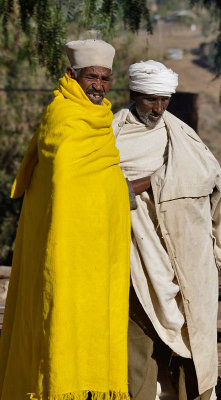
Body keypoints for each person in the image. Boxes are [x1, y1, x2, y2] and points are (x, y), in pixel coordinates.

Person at [0, 40, 131, 400]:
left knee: (95, 320)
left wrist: (117, 190)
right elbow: (67, 180)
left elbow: (103, 179)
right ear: (72, 75)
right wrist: (121, 188)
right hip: (62, 246)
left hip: (95, 249)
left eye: (106, 79)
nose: (99, 86)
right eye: (92, 77)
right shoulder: (62, 116)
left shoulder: (102, 119)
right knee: (57, 318)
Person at [112, 60, 221, 400]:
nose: (157, 108)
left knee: (194, 339)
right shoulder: (113, 137)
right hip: (137, 259)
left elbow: (214, 186)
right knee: (138, 341)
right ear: (133, 94)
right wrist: (146, 185)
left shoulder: (184, 138)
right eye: (150, 99)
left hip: (189, 256)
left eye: (164, 100)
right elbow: (101, 191)